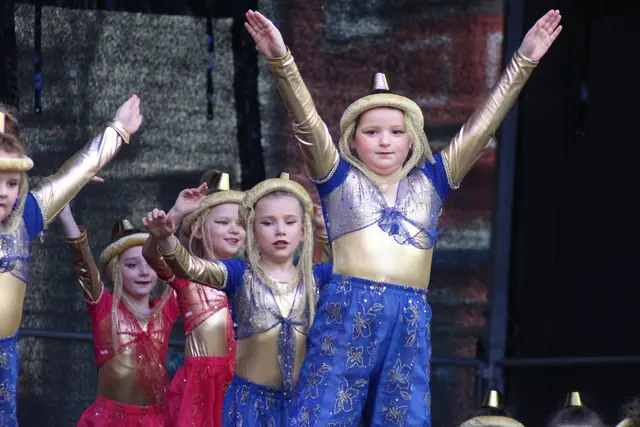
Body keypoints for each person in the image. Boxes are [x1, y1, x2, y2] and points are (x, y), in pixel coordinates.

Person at [246, 8, 562, 426]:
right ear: (352, 141)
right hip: (349, 310)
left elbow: (482, 128)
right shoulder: (339, 179)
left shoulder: (432, 182)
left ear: (412, 139)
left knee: (402, 418)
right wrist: (281, 60)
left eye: (396, 132)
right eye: (371, 132)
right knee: (323, 414)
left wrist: (524, 60)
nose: (385, 141)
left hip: (409, 316)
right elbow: (306, 122)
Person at [144, 175, 332, 427]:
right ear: (252, 230)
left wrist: (324, 232)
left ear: (303, 230)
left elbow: (358, 268)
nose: (280, 230)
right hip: (247, 407)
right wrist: (167, 235)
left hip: (301, 406)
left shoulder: (315, 278)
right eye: (268, 223)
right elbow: (187, 267)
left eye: (290, 222)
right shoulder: (238, 274)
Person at [0, 95, 141, 426]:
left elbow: (76, 172)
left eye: (11, 183)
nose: (3, 191)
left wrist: (118, 130)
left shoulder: (26, 218)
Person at [58, 207, 179, 426]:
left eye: (151, 264)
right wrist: (65, 215)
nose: (144, 272)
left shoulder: (165, 309)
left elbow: (186, 270)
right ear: (115, 271)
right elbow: (83, 263)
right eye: (132, 265)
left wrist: (179, 212)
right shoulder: (104, 308)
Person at [143, 171, 244, 427]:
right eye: (223, 222)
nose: (234, 229)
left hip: (243, 383)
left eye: (241, 223)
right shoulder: (186, 275)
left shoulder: (251, 275)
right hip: (202, 388)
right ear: (198, 229)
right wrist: (175, 214)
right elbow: (152, 256)